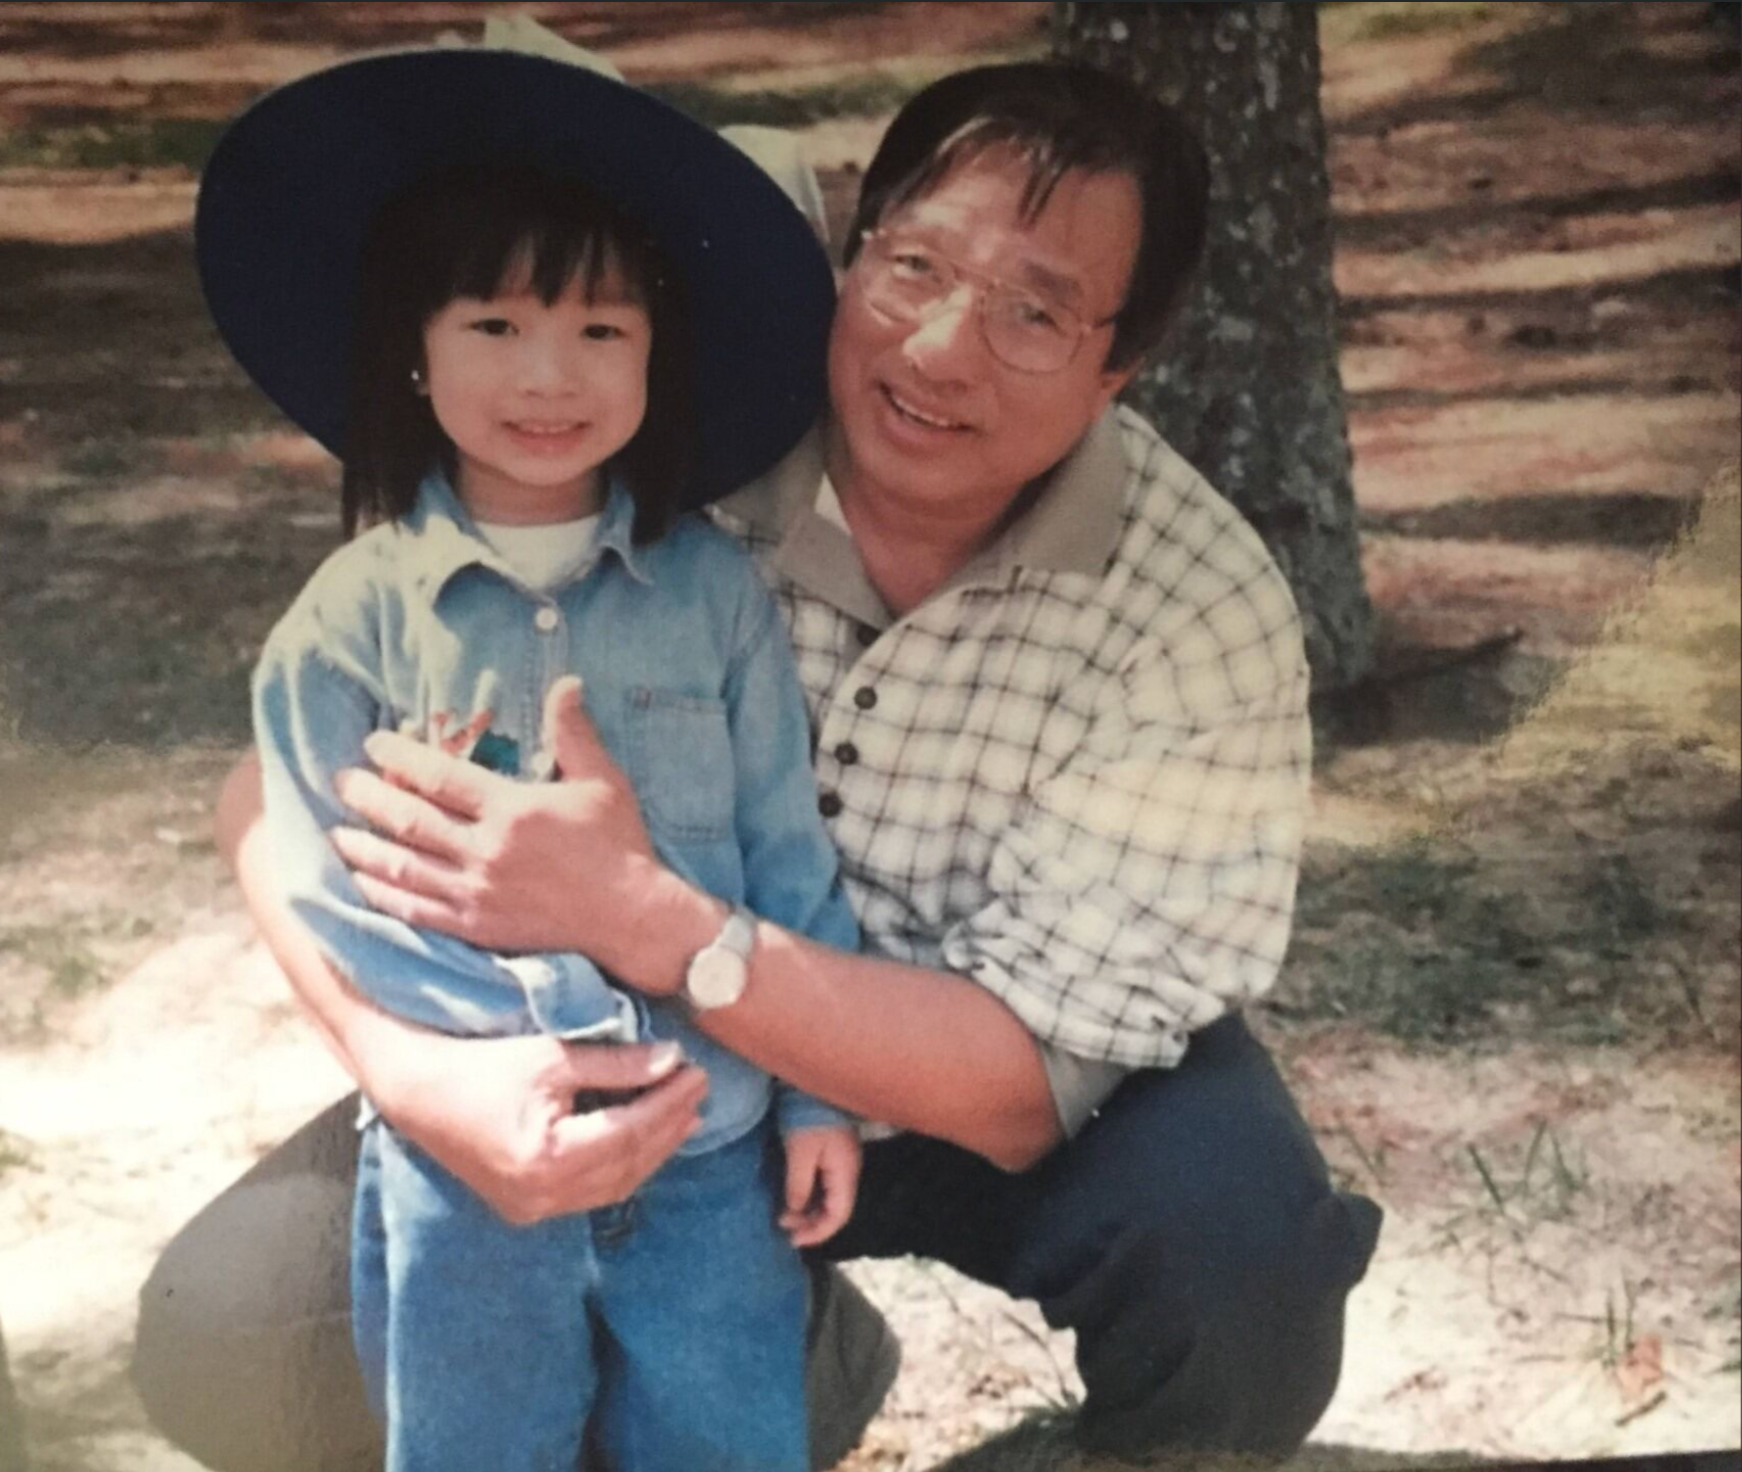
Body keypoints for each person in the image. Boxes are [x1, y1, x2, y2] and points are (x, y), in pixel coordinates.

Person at [136, 54, 1384, 1472]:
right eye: (912, 267)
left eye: (1034, 310)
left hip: (981, 1076)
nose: (937, 350)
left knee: (1242, 1263)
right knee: (233, 1337)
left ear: (1123, 363)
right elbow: (272, 791)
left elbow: (1021, 1084)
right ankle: (796, 1361)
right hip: (632, 1076)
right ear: (848, 250)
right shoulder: (650, 414)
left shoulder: (1194, 605)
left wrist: (643, 915)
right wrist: (414, 1074)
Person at [194, 46, 868, 1472]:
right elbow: (320, 890)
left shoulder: (713, 600)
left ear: (656, 355)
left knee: (723, 1443)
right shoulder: (350, 624)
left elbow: (780, 851)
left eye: (601, 331)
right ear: (412, 348)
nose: (548, 377)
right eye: (495, 325)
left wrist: (814, 1098)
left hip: (705, 1154)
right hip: (472, 1165)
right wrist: (466, 1074)